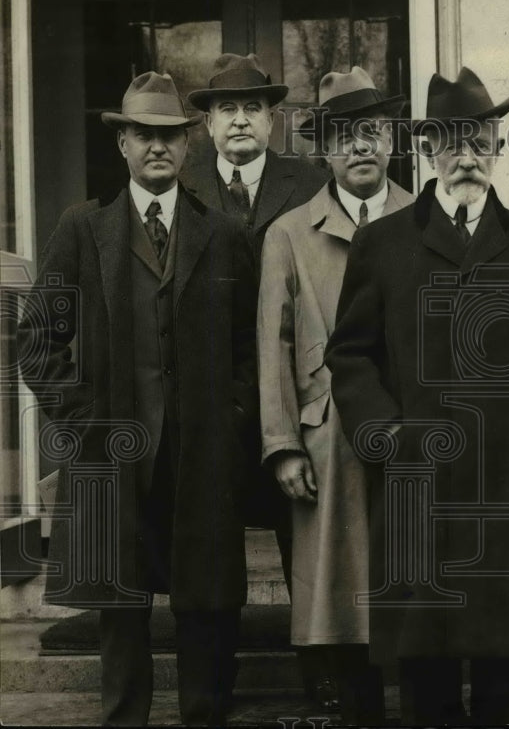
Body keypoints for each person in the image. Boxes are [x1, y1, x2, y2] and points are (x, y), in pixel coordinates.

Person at [326, 67, 509, 725]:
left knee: (500, 681)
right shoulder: (383, 245)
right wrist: (388, 436)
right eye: (451, 141)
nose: (466, 155)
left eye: (479, 139)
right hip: (417, 493)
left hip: (503, 500)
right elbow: (350, 356)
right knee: (424, 676)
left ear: (496, 147)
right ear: (429, 150)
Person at [17, 72, 256, 726]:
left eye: (170, 136)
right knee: (121, 614)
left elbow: (250, 346)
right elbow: (37, 337)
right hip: (113, 457)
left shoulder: (223, 231)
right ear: (122, 142)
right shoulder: (83, 228)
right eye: (143, 134)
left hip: (200, 457)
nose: (158, 147)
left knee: (207, 609)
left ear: (188, 146)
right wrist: (83, 419)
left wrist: (232, 419)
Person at [256, 66, 412, 719]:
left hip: (410, 436)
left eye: (372, 131)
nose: (360, 147)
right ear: (324, 148)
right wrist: (283, 444)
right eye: (343, 135)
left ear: (393, 138)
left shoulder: (420, 217)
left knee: (409, 582)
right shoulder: (289, 233)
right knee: (332, 593)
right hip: (325, 440)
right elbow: (275, 345)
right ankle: (345, 707)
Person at [180, 52, 329, 697]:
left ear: (272, 120)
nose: (239, 121)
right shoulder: (177, 183)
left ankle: (326, 682)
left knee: (308, 544)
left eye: (252, 109)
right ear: (207, 124)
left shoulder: (312, 181)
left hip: (293, 398)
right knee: (209, 554)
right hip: (210, 402)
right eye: (226, 110)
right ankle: (211, 690)